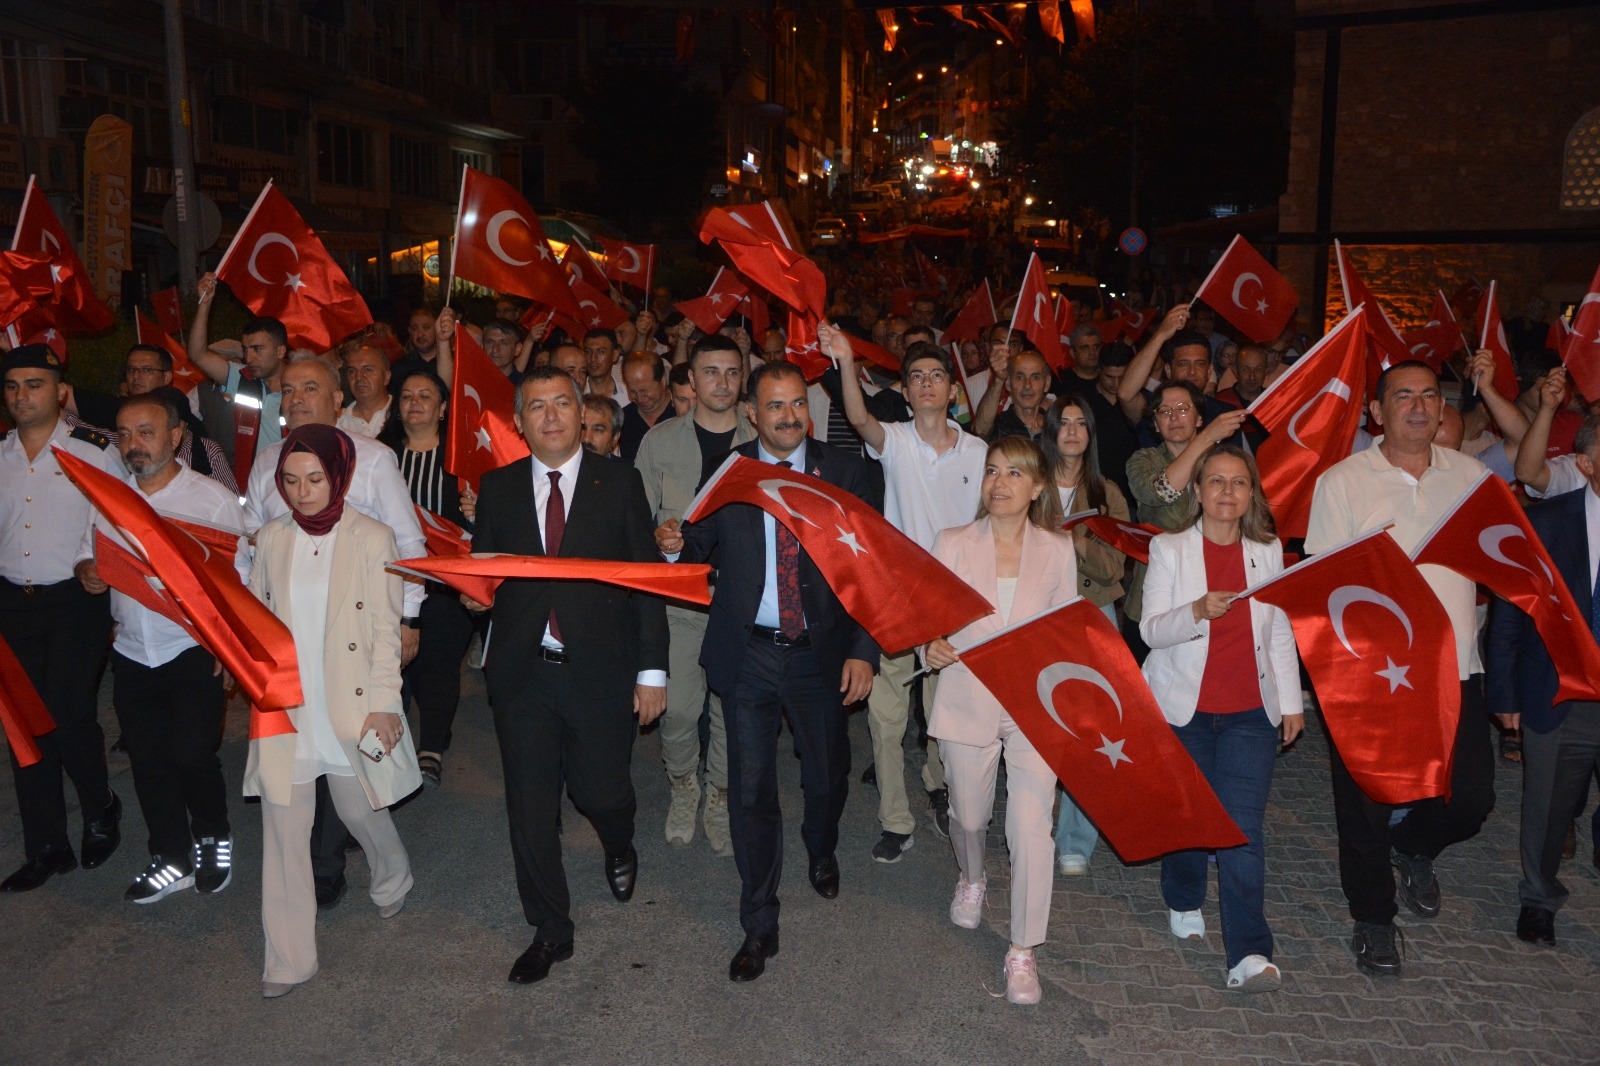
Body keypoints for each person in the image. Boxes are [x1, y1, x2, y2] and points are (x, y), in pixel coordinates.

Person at [655, 361, 878, 982]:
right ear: (752, 413)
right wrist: (673, 543)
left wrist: (864, 650)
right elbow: (696, 541)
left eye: (797, 404)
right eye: (775, 405)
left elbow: (870, 566)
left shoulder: (844, 470)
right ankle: (758, 922)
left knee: (826, 775)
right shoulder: (730, 469)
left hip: (820, 653)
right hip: (748, 653)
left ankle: (821, 845)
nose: (788, 416)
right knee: (751, 789)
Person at [472, 366, 668, 986]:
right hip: (523, 673)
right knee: (530, 808)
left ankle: (619, 841)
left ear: (583, 415)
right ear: (519, 421)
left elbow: (647, 583)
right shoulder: (498, 487)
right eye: (537, 406)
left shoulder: (620, 481)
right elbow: (483, 577)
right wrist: (475, 596)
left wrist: (652, 671)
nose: (551, 416)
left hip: (599, 671)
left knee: (600, 793)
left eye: (562, 403)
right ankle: (550, 929)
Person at [1305, 361, 1496, 978]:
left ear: (1443, 410)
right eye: (1403, 395)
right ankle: (1373, 919)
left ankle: (1412, 845)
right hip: (1371, 675)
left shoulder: (1472, 479)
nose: (1418, 406)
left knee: (1472, 800)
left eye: (1429, 396)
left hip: (1455, 669)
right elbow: (1322, 585)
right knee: (1364, 805)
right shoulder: (1342, 482)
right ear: (1377, 412)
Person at [239, 355, 425, 908]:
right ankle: (297, 914)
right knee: (288, 807)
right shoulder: (270, 489)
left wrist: (409, 620)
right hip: (292, 681)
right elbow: (250, 564)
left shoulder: (372, 472)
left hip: (350, 671)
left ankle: (391, 871)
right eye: (287, 389)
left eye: (316, 480)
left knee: (355, 802)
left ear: (336, 397)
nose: (302, 491)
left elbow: (407, 548)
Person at [1140, 444, 1303, 992]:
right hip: (1183, 711)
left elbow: (1279, 630)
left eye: (1238, 482)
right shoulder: (1169, 549)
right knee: (1188, 821)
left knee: (1241, 830)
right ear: (1197, 491)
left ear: (1252, 493)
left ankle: (1249, 955)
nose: (1227, 491)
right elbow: (1150, 631)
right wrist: (1195, 611)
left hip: (1250, 715)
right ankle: (1184, 896)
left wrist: (1291, 702)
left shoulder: (1268, 550)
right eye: (1215, 481)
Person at [923, 437, 1077, 1005]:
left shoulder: (1058, 548)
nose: (999, 482)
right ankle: (972, 877)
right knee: (969, 815)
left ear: (1037, 488)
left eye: (1014, 473)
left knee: (1032, 827)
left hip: (1035, 703)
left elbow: (1067, 631)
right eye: (992, 471)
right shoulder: (953, 542)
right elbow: (926, 616)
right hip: (968, 695)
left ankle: (1023, 949)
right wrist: (929, 645)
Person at [77, 393, 245, 902]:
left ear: (176, 436)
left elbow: (240, 580)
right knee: (149, 762)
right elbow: (87, 555)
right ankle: (170, 857)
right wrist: (88, 571)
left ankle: (213, 838)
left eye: (146, 432)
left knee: (191, 753)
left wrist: (231, 648)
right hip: (132, 651)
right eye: (125, 434)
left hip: (192, 646)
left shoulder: (210, 499)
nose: (134, 444)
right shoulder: (108, 497)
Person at [826, 326, 986, 858]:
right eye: (916, 376)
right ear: (907, 390)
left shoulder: (978, 451)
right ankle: (895, 820)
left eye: (936, 375)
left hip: (952, 605)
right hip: (894, 599)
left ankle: (940, 788)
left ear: (952, 390)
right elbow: (858, 418)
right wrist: (845, 360)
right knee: (886, 718)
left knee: (945, 715)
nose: (926, 384)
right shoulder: (894, 441)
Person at [0, 345, 127, 893]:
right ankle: (47, 846)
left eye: (34, 384)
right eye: (12, 386)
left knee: (69, 714)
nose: (22, 395)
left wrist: (87, 558)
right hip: (12, 603)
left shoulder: (93, 451)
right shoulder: (0, 455)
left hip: (76, 599)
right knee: (24, 726)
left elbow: (113, 518)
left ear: (60, 391)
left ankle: (100, 809)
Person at [632, 335, 755, 855]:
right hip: (680, 600)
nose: (721, 383)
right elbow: (634, 518)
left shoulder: (763, 438)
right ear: (692, 379)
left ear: (742, 377)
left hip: (742, 602)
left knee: (729, 710)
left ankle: (719, 797)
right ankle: (684, 785)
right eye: (710, 372)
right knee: (679, 710)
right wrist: (657, 536)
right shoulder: (659, 442)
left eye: (732, 372)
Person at [1487, 412, 1600, 946]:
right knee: (1548, 805)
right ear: (1585, 463)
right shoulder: (1545, 523)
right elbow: (1512, 610)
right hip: (1559, 692)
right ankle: (1538, 898)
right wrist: (1504, 692)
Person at [1041, 395, 1131, 876]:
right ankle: (1032, 824)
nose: (1073, 431)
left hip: (1094, 615)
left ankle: (1075, 838)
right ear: (1051, 430)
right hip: (1037, 615)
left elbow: (1115, 566)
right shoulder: (1029, 483)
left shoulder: (1106, 492)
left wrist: (1075, 539)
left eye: (1081, 423)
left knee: (1090, 728)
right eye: (1064, 422)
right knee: (1038, 723)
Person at [381, 370, 476, 790]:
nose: (414, 402)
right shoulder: (380, 456)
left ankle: (431, 748)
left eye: (425, 396)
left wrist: (476, 513)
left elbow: (484, 526)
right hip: (391, 578)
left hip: (446, 582)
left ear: (442, 409)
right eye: (406, 395)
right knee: (401, 665)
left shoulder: (462, 459)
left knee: (437, 661)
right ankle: (399, 739)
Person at [186, 273, 289, 483]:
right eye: (245, 349)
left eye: (257, 349)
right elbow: (197, 354)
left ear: (280, 351)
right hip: (251, 488)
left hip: (291, 485)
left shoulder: (302, 386)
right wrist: (204, 304)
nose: (249, 358)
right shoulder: (243, 378)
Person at [973, 347, 1052, 441]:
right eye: (1020, 377)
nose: (1027, 385)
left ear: (1047, 383)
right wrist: (998, 379)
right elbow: (980, 431)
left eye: (1035, 377)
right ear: (1008, 383)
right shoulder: (1000, 427)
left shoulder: (1055, 427)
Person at [618, 352, 674, 463]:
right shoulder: (622, 419)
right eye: (632, 391)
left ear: (663, 380)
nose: (640, 398)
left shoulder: (681, 412)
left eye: (644, 391)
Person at [337, 344, 393, 439]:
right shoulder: (338, 423)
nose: (358, 377)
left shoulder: (403, 415)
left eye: (367, 370)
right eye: (352, 371)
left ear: (386, 377)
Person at [582, 329, 625, 399]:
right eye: (588, 352)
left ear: (614, 355)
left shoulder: (628, 396)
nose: (593, 358)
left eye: (600, 352)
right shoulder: (575, 395)